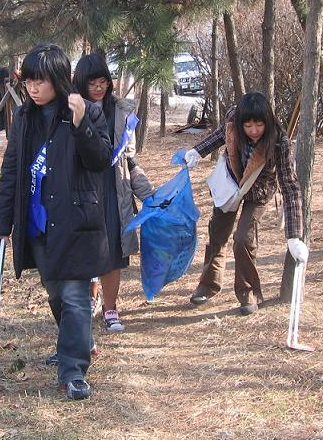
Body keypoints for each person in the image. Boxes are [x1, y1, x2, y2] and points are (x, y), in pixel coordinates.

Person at [0, 43, 112, 401]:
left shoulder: (85, 111)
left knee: (74, 297)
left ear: (58, 80)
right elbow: (11, 171)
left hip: (75, 220)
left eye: (39, 81)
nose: (32, 88)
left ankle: (72, 370)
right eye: (28, 80)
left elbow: (101, 160)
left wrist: (80, 125)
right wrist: (1, 225)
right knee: (56, 292)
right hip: (37, 223)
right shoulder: (25, 117)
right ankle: (81, 341)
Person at [183, 92, 304, 315]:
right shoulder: (233, 119)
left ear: (267, 121)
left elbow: (290, 185)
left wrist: (294, 235)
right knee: (217, 234)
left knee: (243, 239)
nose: (254, 130)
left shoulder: (278, 141)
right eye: (248, 125)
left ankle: (247, 292)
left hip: (258, 192)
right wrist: (197, 151)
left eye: (259, 125)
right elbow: (221, 136)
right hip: (230, 185)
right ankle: (208, 285)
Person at [73, 53, 155, 333]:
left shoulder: (120, 111)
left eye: (103, 82)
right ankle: (86, 303)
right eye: (92, 83)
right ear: (80, 84)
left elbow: (129, 159)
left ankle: (110, 308)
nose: (99, 88)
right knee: (86, 250)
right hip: (82, 189)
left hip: (114, 189)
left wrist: (148, 194)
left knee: (114, 253)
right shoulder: (71, 110)